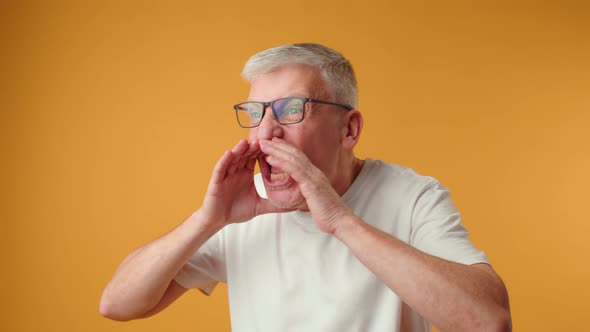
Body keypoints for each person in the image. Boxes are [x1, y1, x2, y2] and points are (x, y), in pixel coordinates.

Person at [100, 43, 511, 331]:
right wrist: (207, 220)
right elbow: (117, 305)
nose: (266, 134)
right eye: (256, 113)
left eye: (291, 110)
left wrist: (338, 219)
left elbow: (487, 322)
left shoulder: (414, 196)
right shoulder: (243, 209)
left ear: (348, 129)